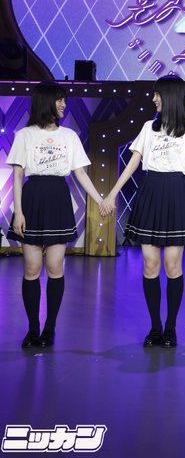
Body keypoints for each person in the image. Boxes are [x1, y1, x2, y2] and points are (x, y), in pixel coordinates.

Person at [101, 74, 185, 348]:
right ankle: (155, 326)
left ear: (169, 96)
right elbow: (133, 163)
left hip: (177, 194)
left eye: (157, 94)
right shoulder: (148, 128)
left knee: (173, 265)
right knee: (150, 264)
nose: (153, 99)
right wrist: (112, 194)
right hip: (150, 192)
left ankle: (171, 328)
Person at [7, 82, 104, 349]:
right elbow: (17, 177)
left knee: (55, 268)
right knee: (31, 269)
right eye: (58, 100)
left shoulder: (69, 136)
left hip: (58, 199)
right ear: (45, 102)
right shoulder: (25, 135)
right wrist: (19, 212)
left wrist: (100, 200)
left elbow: (80, 173)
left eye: (64, 100)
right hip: (32, 199)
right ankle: (32, 329)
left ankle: (49, 328)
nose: (63, 105)